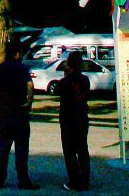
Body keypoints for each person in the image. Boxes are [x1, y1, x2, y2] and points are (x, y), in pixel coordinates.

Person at [0, 38, 38, 190]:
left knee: (3, 148)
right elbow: (30, 85)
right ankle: (23, 180)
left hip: (5, 113)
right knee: (21, 148)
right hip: (20, 111)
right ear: (17, 54)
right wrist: (29, 102)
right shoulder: (22, 68)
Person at [57, 52, 92, 191]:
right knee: (83, 150)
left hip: (67, 119)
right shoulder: (85, 80)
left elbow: (61, 93)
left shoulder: (64, 82)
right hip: (82, 117)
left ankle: (74, 181)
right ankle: (85, 181)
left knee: (69, 151)